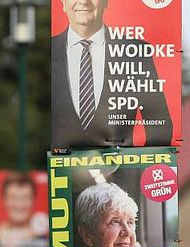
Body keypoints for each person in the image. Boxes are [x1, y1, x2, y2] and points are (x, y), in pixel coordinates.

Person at [51, 0, 173, 149]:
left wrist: (141, 167)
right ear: (63, 3)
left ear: (106, 2)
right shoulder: (48, 51)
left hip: (123, 169)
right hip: (62, 169)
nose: (83, 1)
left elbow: (160, 124)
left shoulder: (135, 52)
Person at [0, 173, 48, 247]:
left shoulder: (47, 238)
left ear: (33, 201)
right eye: (13, 198)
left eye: (25, 198)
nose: (19, 205)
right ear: (4, 200)